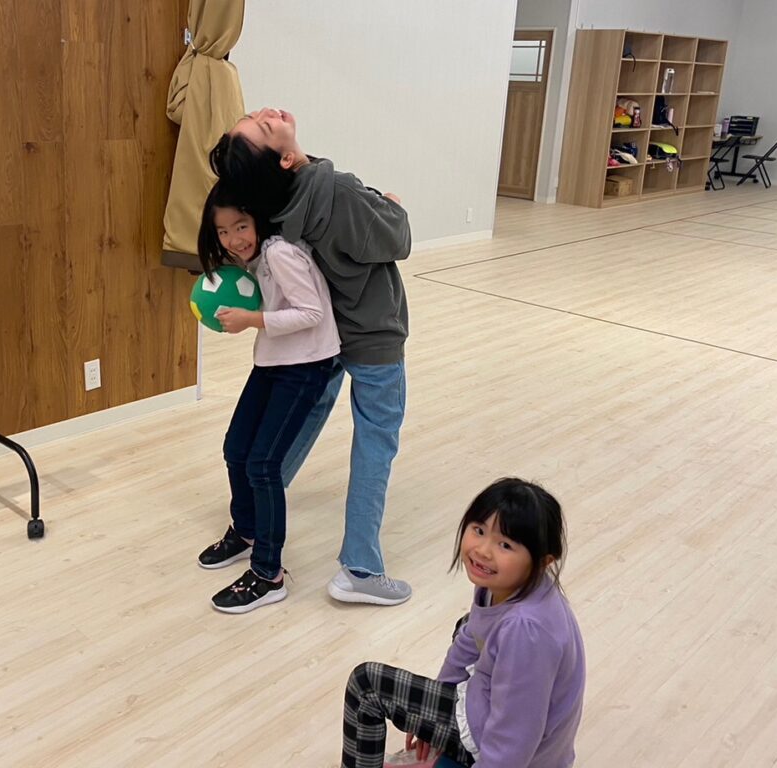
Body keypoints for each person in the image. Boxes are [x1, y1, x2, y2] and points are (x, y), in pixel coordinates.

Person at [209, 107, 412, 606]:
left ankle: (254, 522)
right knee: (376, 441)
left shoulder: (277, 206)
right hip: (373, 333)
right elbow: (398, 238)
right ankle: (360, 569)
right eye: (262, 125)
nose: (266, 113)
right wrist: (387, 205)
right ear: (281, 159)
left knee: (303, 423)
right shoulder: (335, 191)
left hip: (322, 339)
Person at [340, 478, 586, 768]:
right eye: (479, 530)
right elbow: (469, 641)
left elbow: (514, 742)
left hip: (512, 750)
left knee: (366, 685)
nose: (483, 551)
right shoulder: (501, 585)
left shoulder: (526, 630)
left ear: (544, 562)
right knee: (467, 626)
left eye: (505, 545)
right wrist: (429, 722)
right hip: (484, 706)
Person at [195, 181, 340, 614]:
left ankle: (268, 573)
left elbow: (312, 313)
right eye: (223, 231)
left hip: (306, 365)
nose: (233, 239)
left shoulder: (279, 253)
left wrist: (252, 319)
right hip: (274, 360)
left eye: (241, 226)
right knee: (236, 449)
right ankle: (246, 531)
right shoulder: (255, 259)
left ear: (258, 220)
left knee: (263, 464)